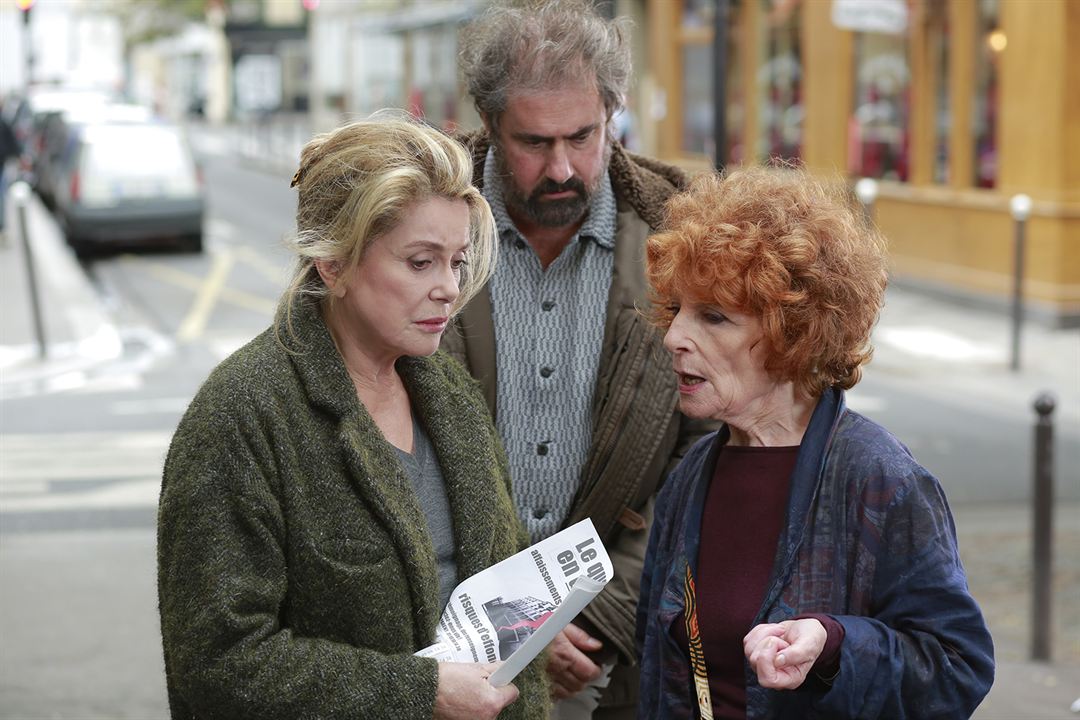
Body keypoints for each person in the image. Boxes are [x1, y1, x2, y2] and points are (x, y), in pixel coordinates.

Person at [157, 116, 548, 720]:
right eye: (420, 262)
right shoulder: (241, 416)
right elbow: (217, 663)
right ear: (333, 263)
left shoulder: (448, 390)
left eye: (457, 260)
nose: (448, 287)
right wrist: (423, 691)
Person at [636, 165, 995, 719]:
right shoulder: (691, 478)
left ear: (793, 334)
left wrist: (833, 646)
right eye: (677, 310)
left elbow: (956, 666)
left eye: (713, 317)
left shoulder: (880, 479)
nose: (675, 336)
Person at [443, 2, 715, 718]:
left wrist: (592, 614)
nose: (561, 167)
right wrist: (512, 622)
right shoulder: (428, 234)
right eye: (533, 142)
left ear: (612, 115)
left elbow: (705, 450)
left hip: (609, 648)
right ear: (491, 125)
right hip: (450, 643)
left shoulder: (678, 240)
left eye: (583, 136)